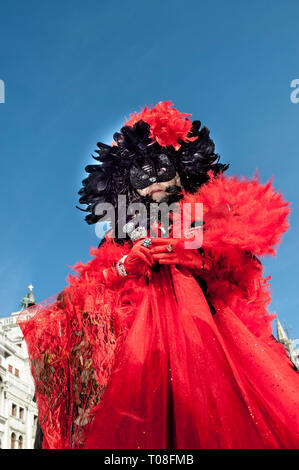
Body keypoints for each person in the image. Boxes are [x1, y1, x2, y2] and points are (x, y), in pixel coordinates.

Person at [19, 101, 299, 449]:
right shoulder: (120, 236)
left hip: (209, 341)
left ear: (184, 169)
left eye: (161, 165)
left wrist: (195, 256)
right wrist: (124, 266)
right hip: (136, 361)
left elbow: (242, 266)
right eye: (140, 171)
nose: (152, 178)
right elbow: (82, 298)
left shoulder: (206, 214)